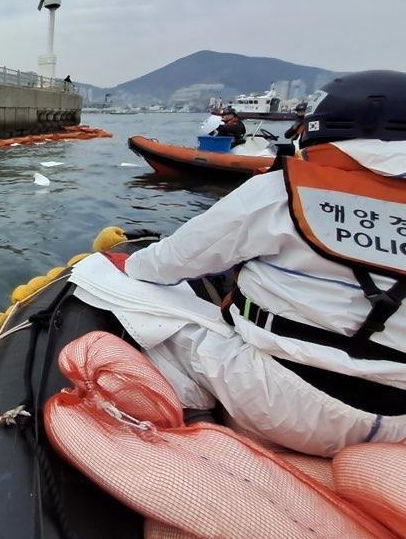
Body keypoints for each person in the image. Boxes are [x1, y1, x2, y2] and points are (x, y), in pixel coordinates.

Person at [111, 70, 406, 456]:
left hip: (277, 399)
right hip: (397, 422)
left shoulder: (278, 191)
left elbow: (166, 263)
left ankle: (192, 424)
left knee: (138, 309)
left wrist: (125, 265)